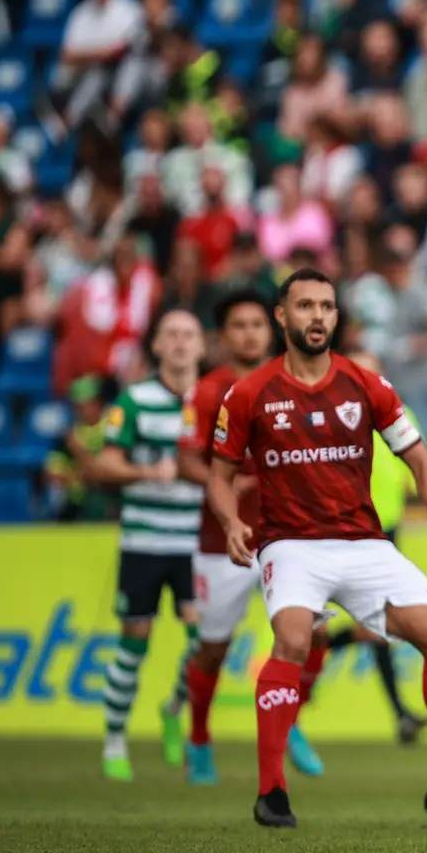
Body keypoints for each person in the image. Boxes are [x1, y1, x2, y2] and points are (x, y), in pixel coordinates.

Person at [209, 270, 427, 830]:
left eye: (326, 306)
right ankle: (271, 792)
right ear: (283, 317)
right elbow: (220, 474)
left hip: (363, 545)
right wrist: (232, 520)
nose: (318, 316)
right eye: (305, 305)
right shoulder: (250, 392)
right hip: (290, 545)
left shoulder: (366, 384)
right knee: (295, 638)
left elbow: (419, 458)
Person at [174, 291, 327, 785]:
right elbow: (187, 461)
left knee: (313, 634)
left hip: (289, 535)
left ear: (274, 327)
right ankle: (199, 737)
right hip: (224, 542)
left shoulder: (297, 382)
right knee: (213, 650)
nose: (250, 333)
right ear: (222, 337)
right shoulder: (204, 392)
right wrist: (226, 485)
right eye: (238, 325)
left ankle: (292, 721)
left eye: (258, 324)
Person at [88, 309, 206, 781]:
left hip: (197, 542)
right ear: (156, 346)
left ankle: (173, 706)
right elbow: (104, 464)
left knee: (206, 639)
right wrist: (147, 473)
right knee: (133, 643)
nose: (179, 343)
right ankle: (115, 740)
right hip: (144, 539)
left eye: (188, 334)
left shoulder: (216, 399)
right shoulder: (134, 401)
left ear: (202, 345)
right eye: (170, 334)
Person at [321, 347, 427, 744]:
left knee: (381, 623)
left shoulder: (396, 415)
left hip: (387, 533)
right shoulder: (332, 422)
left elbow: (418, 464)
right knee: (379, 623)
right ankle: (398, 712)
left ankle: (311, 665)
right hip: (347, 532)